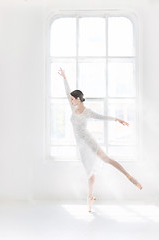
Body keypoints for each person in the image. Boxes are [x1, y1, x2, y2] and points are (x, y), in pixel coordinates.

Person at [58, 67, 142, 212]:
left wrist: (116, 119)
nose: (71, 101)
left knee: (106, 160)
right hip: (82, 147)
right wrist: (64, 77)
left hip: (89, 142)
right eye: (70, 100)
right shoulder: (73, 109)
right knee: (90, 174)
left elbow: (101, 117)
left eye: (73, 99)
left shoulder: (88, 112)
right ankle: (90, 198)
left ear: (78, 99)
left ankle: (129, 176)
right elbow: (67, 91)